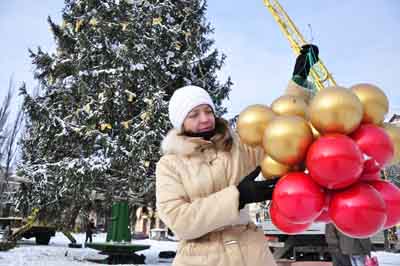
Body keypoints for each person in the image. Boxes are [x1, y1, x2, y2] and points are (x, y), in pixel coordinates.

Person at [156, 44, 318, 266]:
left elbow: (278, 132)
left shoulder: (237, 148)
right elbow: (179, 220)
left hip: (252, 255)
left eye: (208, 111)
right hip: (201, 259)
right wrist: (238, 197)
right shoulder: (170, 165)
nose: (204, 119)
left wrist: (298, 82)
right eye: (193, 114)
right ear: (180, 122)